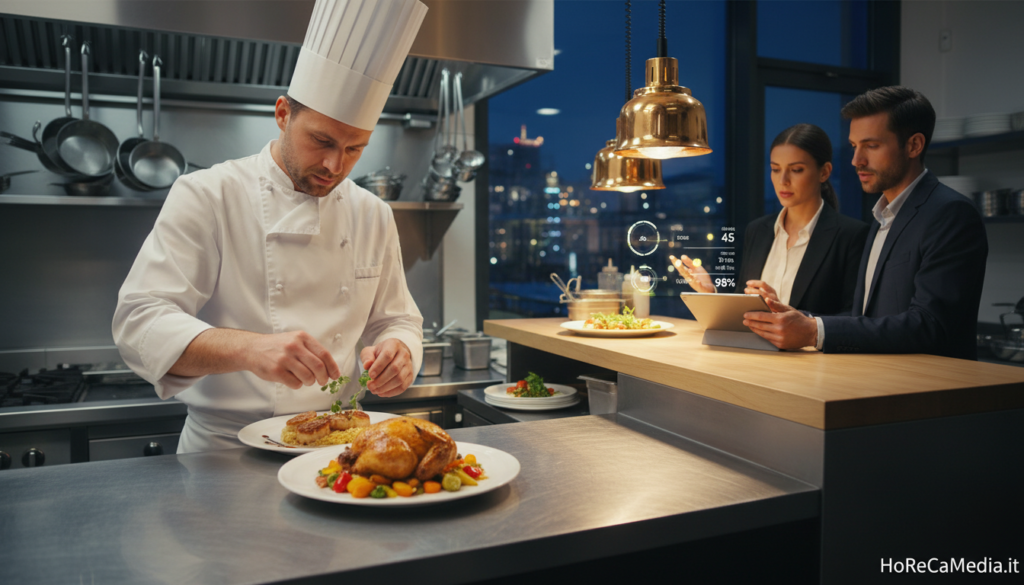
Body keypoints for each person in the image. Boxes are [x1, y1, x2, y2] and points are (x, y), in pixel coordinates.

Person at [112, 0, 430, 453]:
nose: (334, 165)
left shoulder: (371, 212)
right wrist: (250, 349)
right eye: (321, 140)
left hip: (337, 449)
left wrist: (400, 350)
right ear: (283, 114)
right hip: (222, 455)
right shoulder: (207, 194)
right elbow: (138, 323)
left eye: (355, 149)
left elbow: (398, 318)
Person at [741, 86, 988, 360]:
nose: (856, 160)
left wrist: (814, 330)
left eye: (871, 146)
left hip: (930, 393)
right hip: (877, 386)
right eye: (854, 146)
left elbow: (931, 325)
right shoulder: (881, 217)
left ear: (914, 145)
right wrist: (796, 318)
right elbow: (863, 317)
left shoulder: (950, 213)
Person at [671, 124, 868, 315]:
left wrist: (792, 317)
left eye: (796, 169)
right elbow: (744, 305)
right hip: (752, 349)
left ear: (824, 172)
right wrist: (710, 293)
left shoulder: (851, 236)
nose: (783, 180)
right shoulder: (758, 230)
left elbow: (854, 318)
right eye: (775, 169)